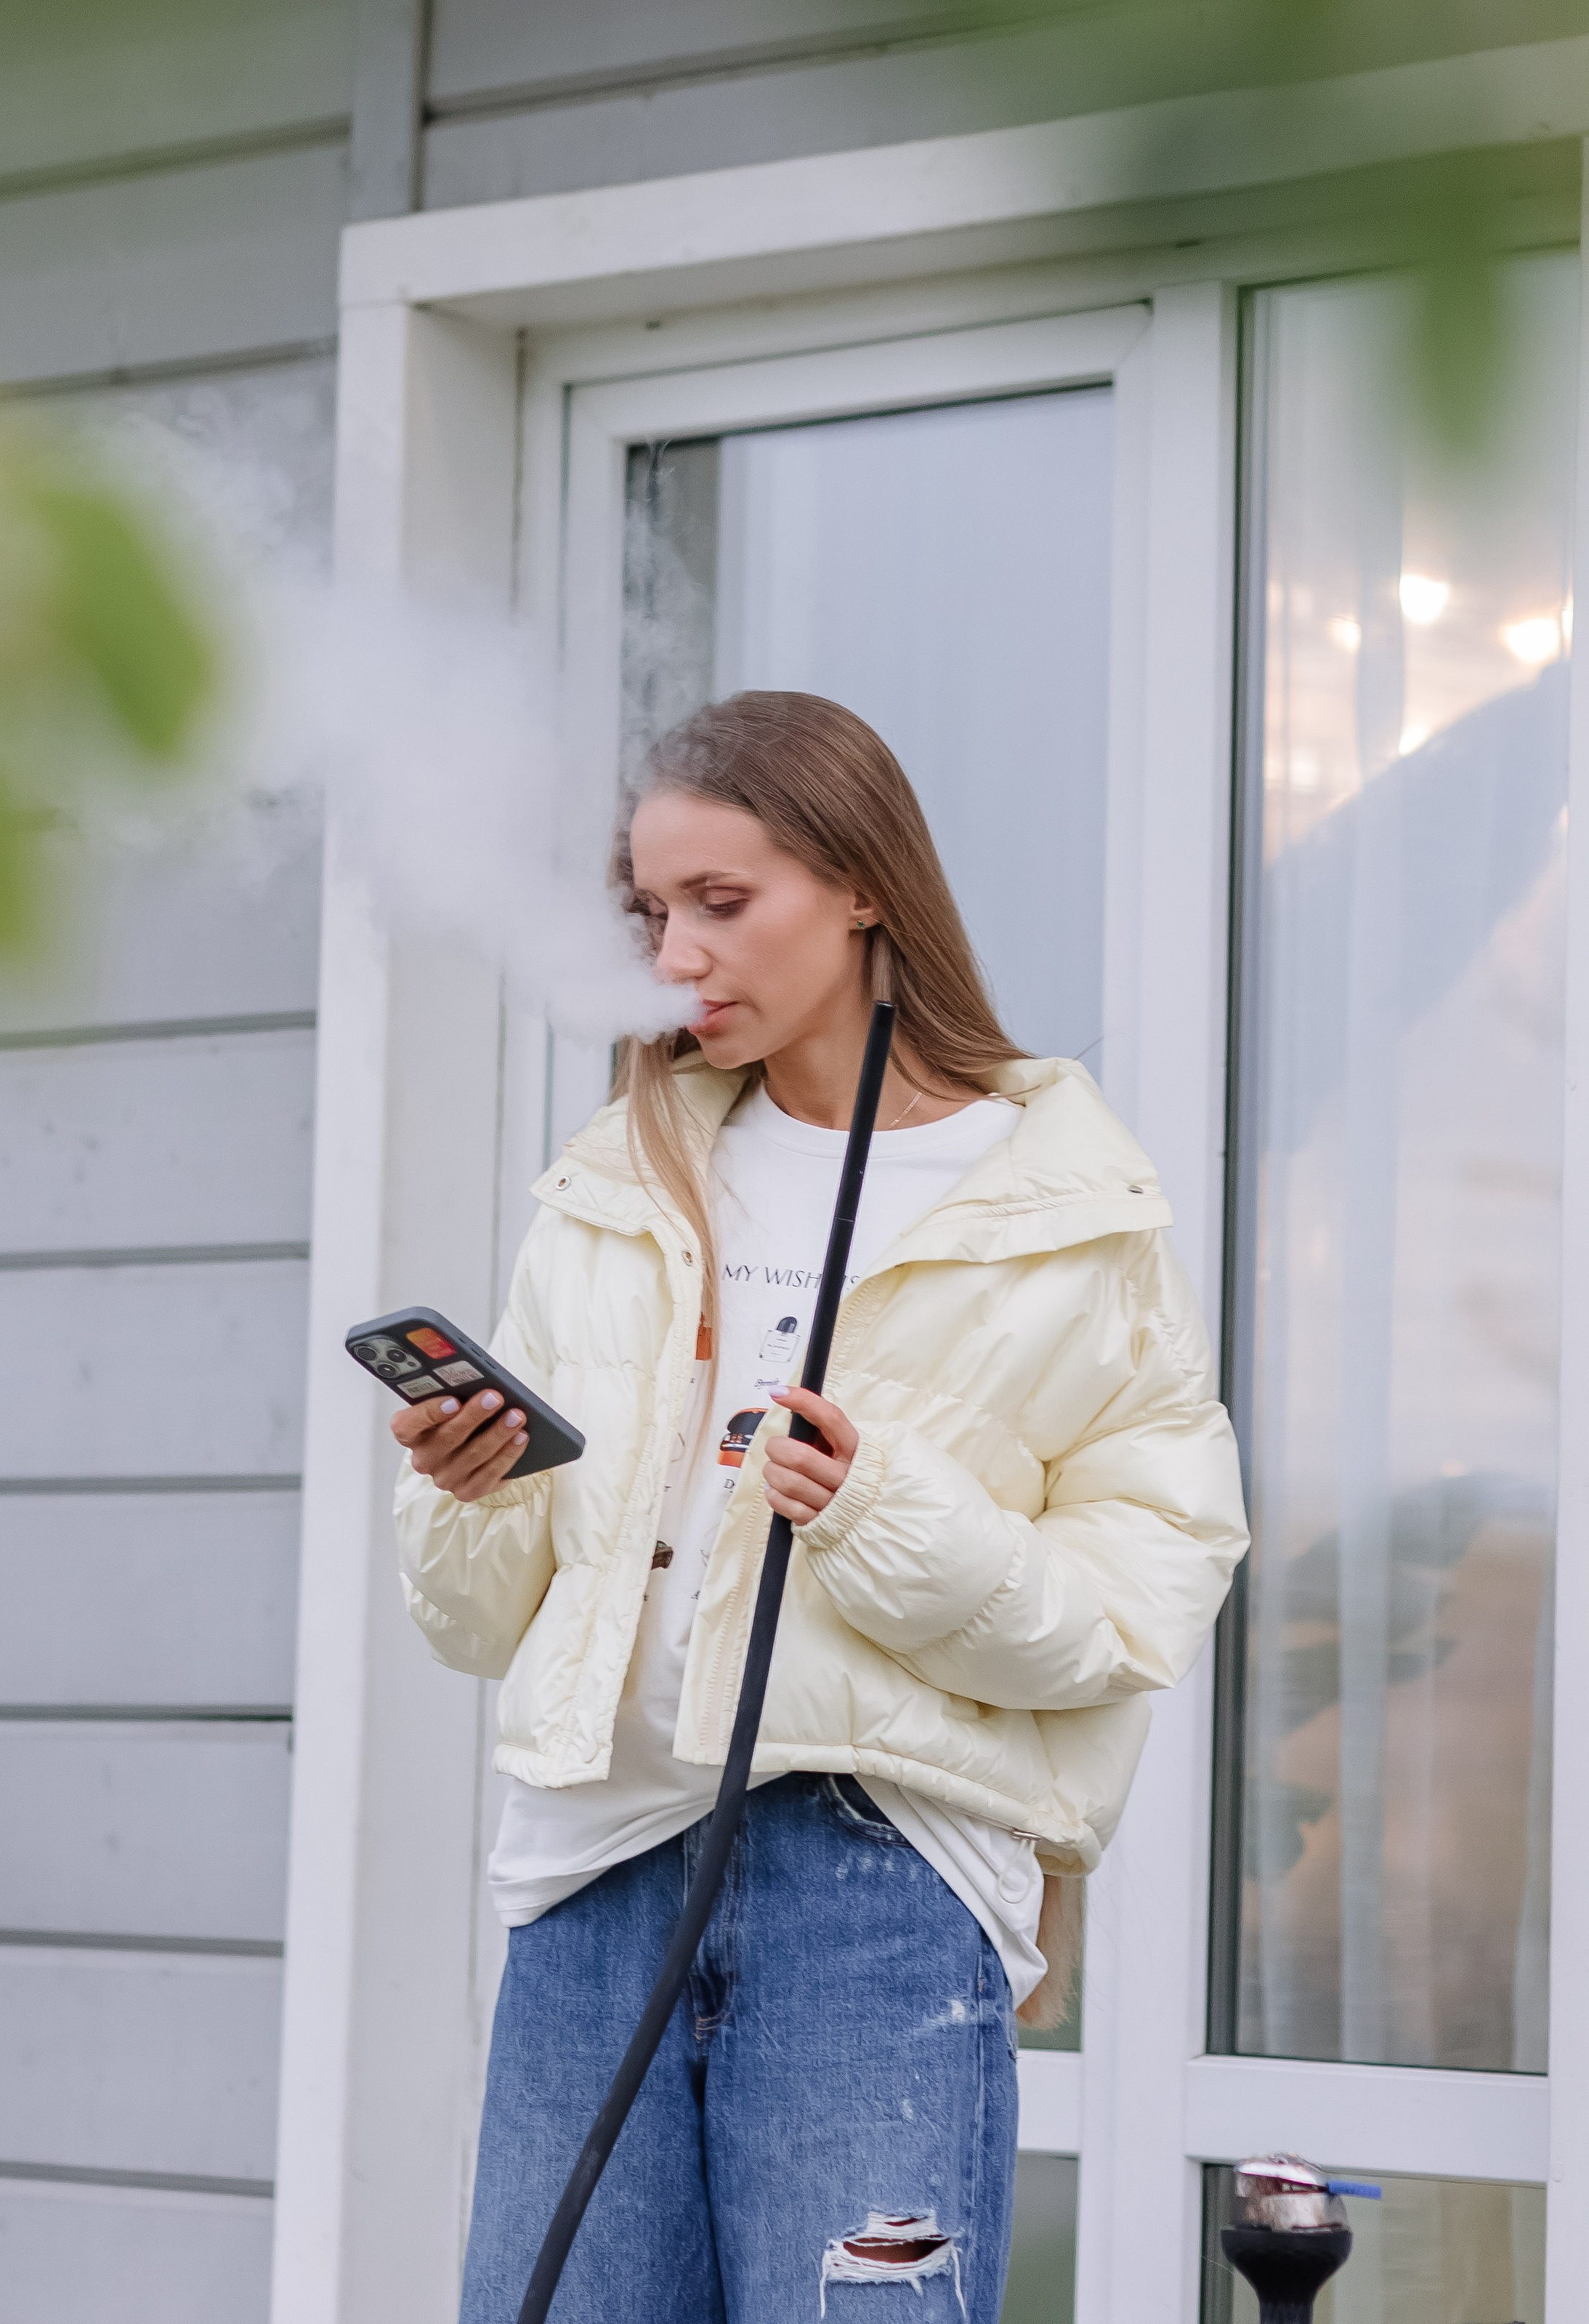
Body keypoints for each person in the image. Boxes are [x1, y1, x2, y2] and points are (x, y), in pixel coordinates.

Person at [391, 691, 1248, 2324]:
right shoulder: (610, 1189)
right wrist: (469, 1495)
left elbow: (1135, 1614)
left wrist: (878, 1511)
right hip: (593, 1878)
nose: (675, 951)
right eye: (650, 913)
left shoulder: (1063, 1212)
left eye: (722, 904)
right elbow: (476, 1624)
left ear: (861, 885)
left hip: (876, 1886)